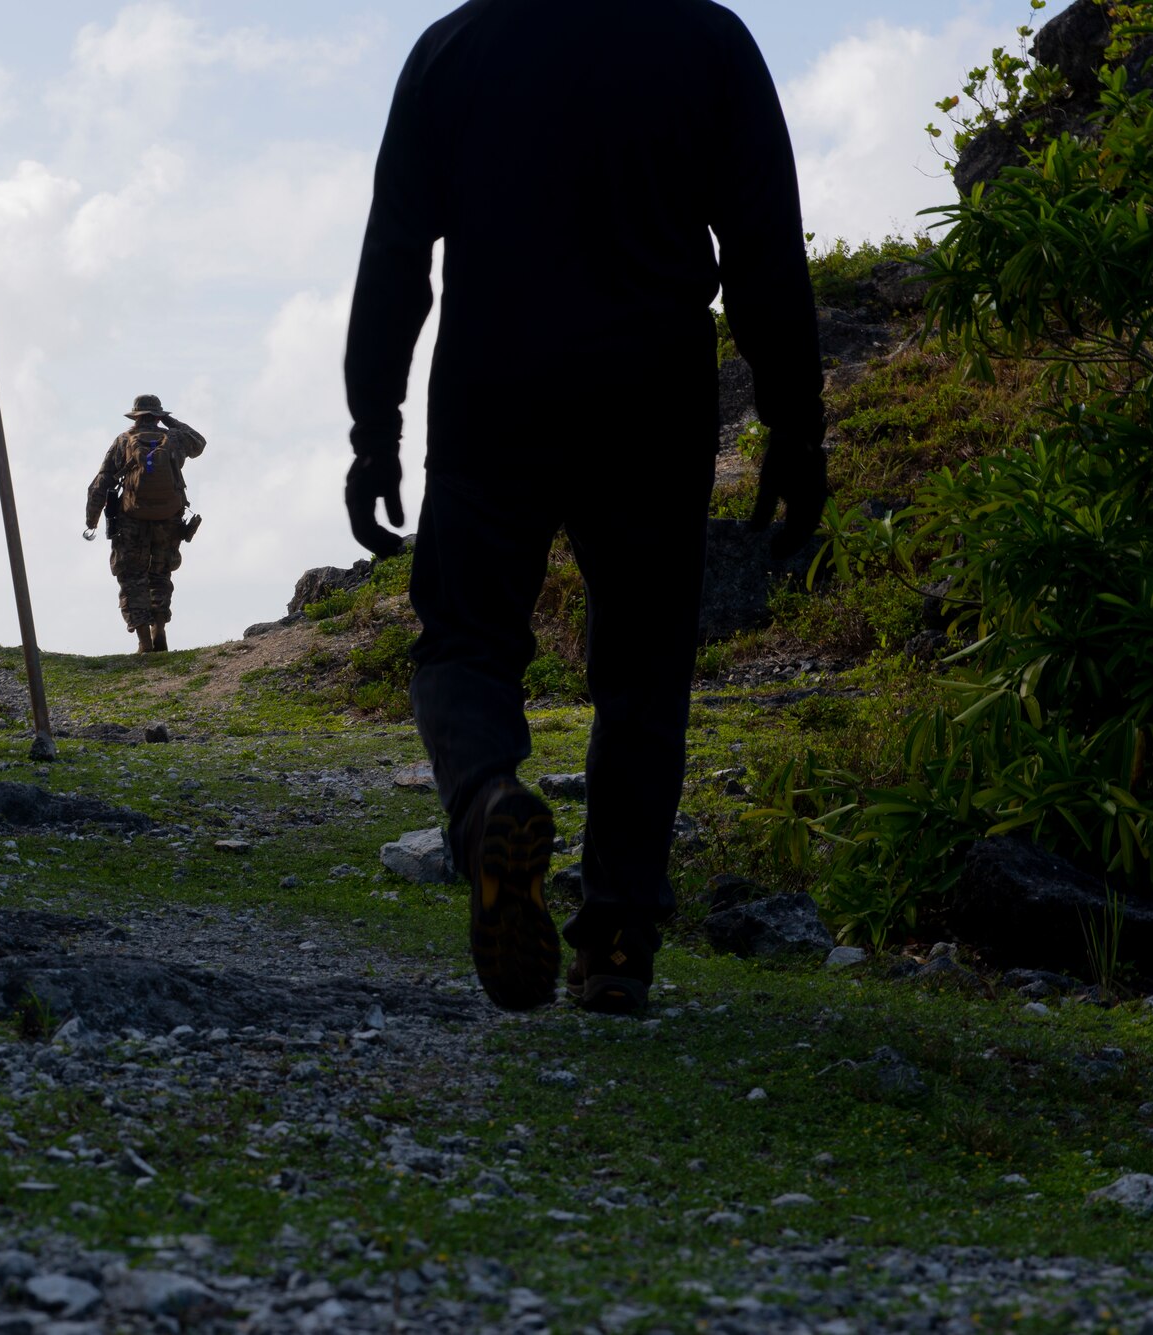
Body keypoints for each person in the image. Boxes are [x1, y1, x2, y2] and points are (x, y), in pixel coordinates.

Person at [343, 0, 828, 1014]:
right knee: (643, 670)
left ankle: (483, 803)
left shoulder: (456, 47)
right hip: (649, 400)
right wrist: (792, 425)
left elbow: (395, 252)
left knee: (463, 641)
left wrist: (372, 430)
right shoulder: (705, 41)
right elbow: (761, 246)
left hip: (491, 393)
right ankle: (614, 940)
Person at [84, 395, 206, 654]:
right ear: (158, 415)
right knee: (160, 575)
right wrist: (170, 422)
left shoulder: (123, 441)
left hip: (131, 521)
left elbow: (101, 482)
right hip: (168, 520)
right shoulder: (173, 439)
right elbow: (199, 443)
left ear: (136, 417)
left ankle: (144, 641)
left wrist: (91, 519)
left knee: (131, 577)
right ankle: (159, 627)